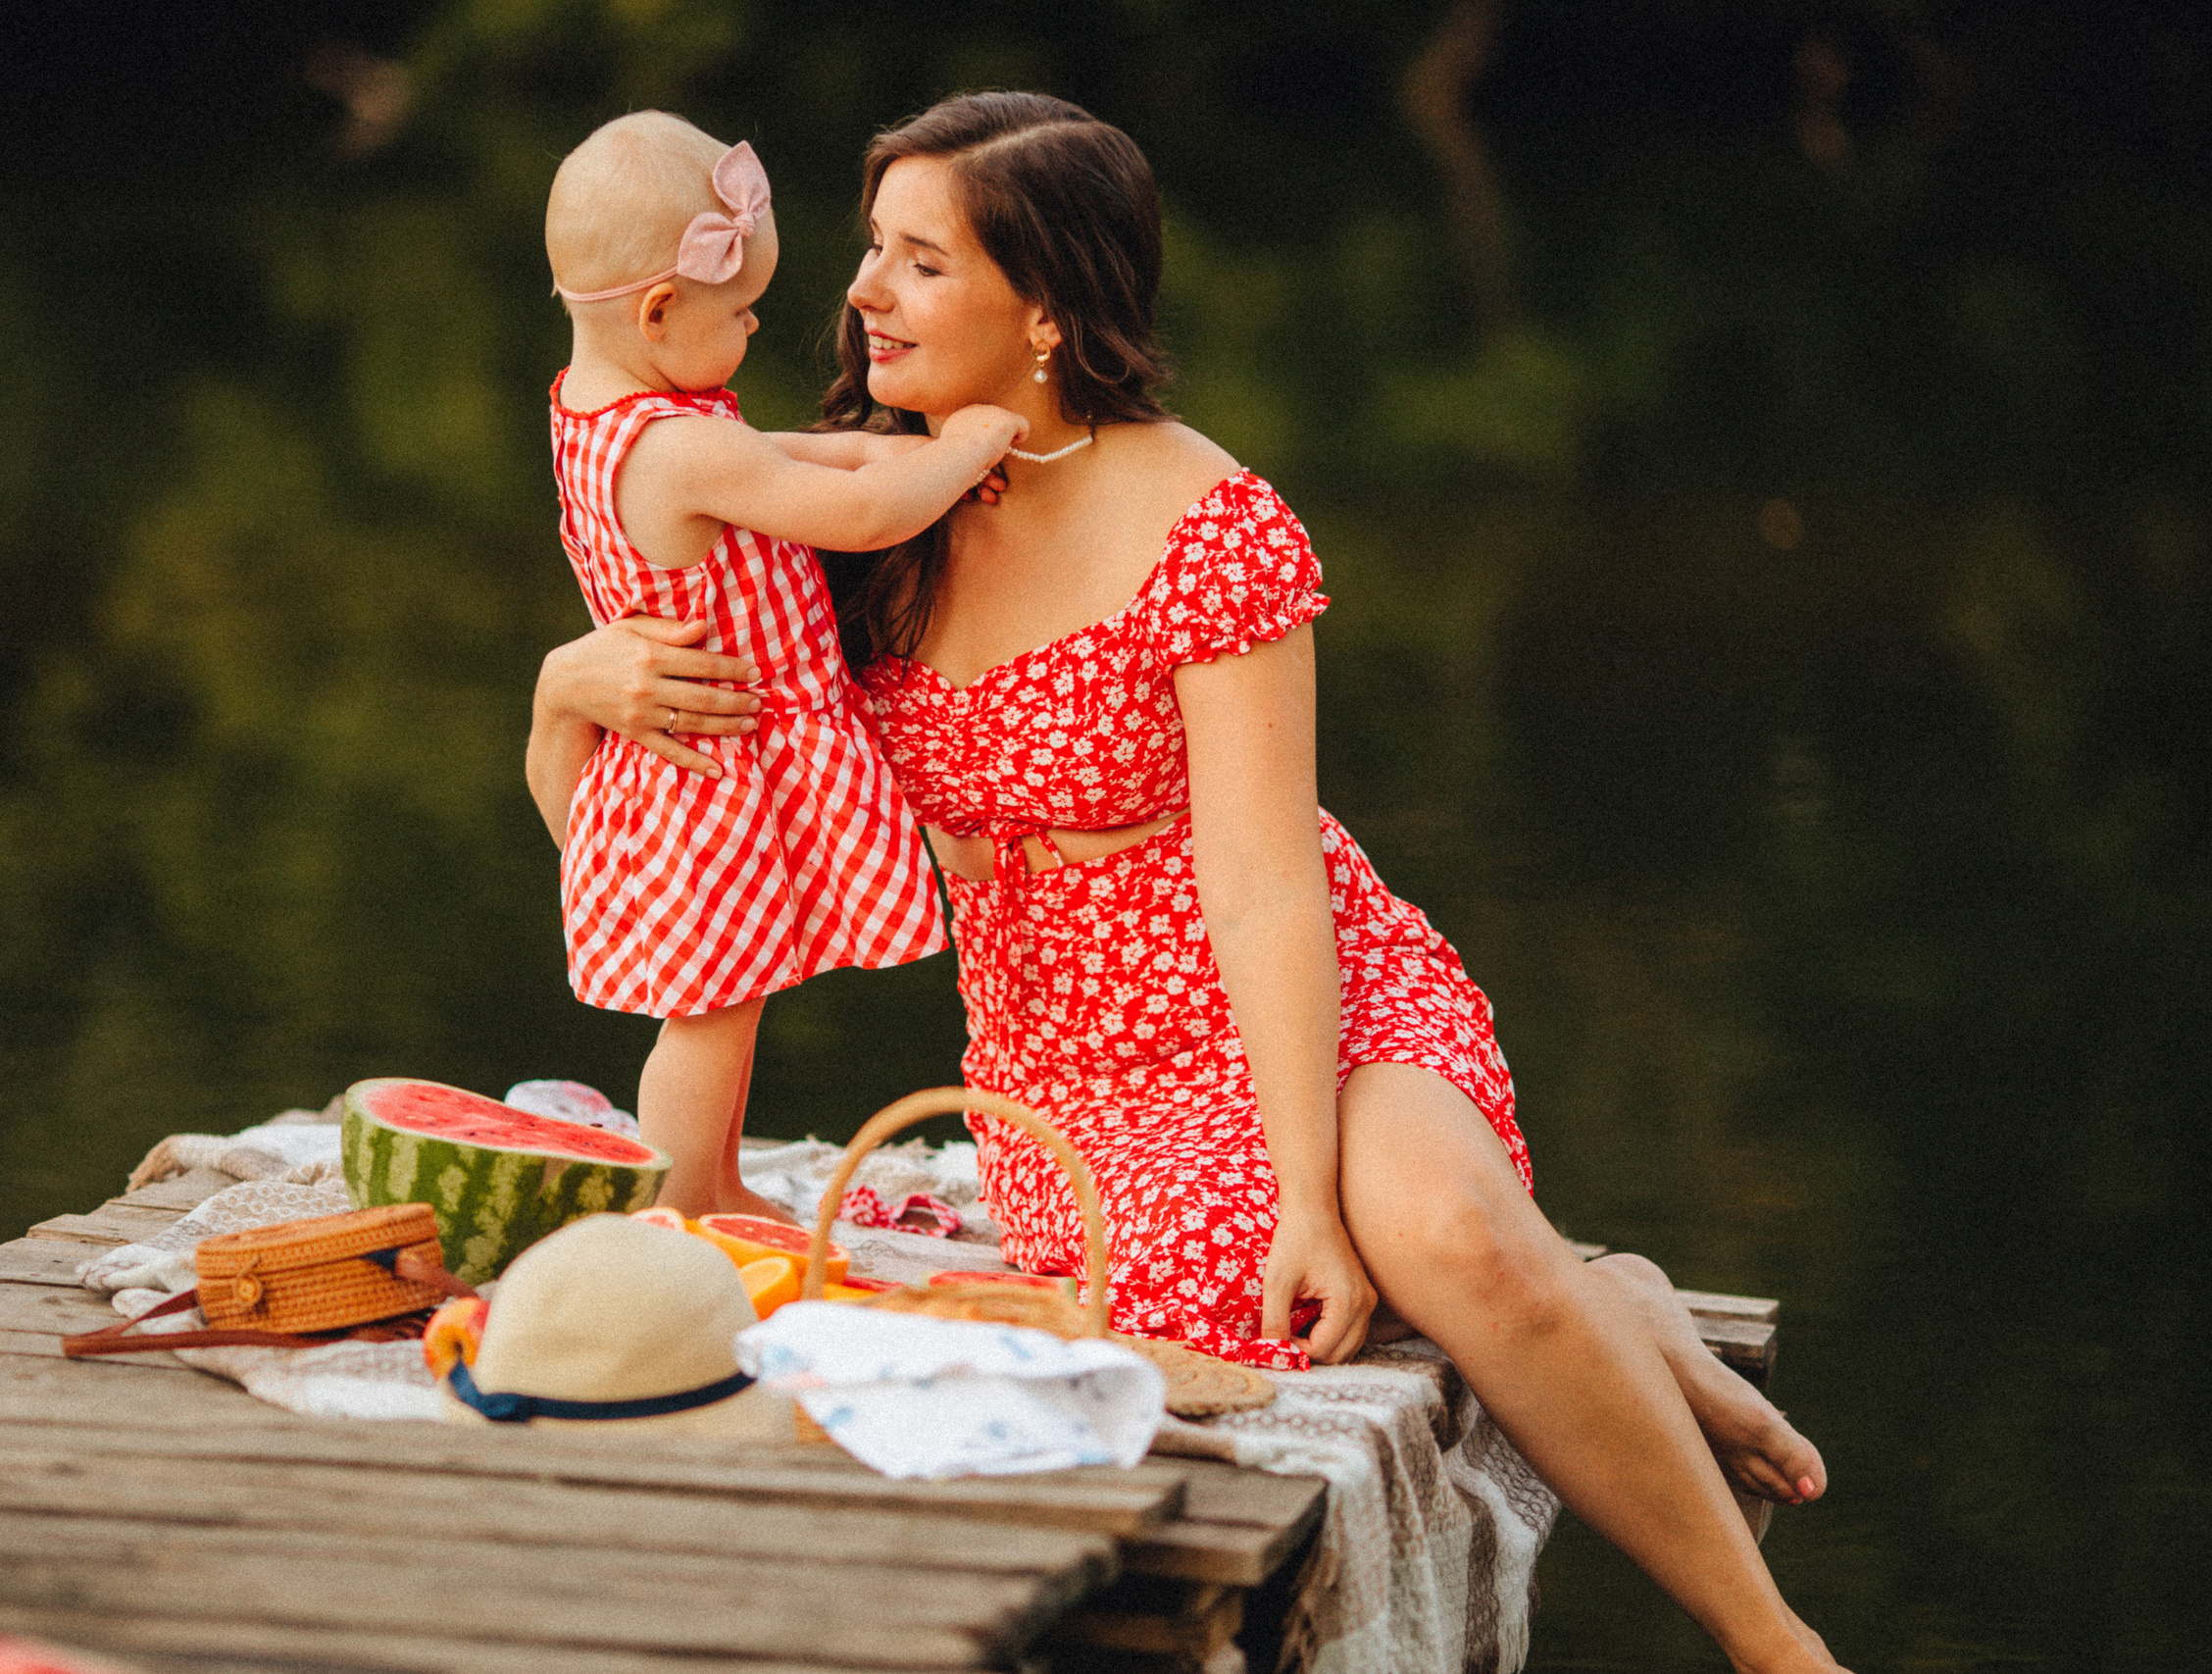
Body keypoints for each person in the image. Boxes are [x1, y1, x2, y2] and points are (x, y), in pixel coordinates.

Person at [531, 94, 1846, 1673]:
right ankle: (1608, 1290)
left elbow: (1265, 885)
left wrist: (1306, 1182)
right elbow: (647, 813)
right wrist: (566, 683)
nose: (862, 292)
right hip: (1068, 1052)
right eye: (872, 250)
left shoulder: (1208, 525)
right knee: (1244, 1303)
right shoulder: (847, 505)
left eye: (919, 260)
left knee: (1433, 1230)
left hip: (1300, 992)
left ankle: (1774, 1640)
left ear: (1047, 308)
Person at [532, 112, 1027, 1218]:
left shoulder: (612, 412)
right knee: (706, 1012)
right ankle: (672, 1204)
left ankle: (716, 1180)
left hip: (702, 764)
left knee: (734, 999)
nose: (756, 327)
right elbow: (852, 510)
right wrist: (961, 452)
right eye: (741, 310)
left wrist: (903, 449)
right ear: (662, 311)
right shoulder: (680, 446)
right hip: (712, 769)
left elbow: (815, 453)